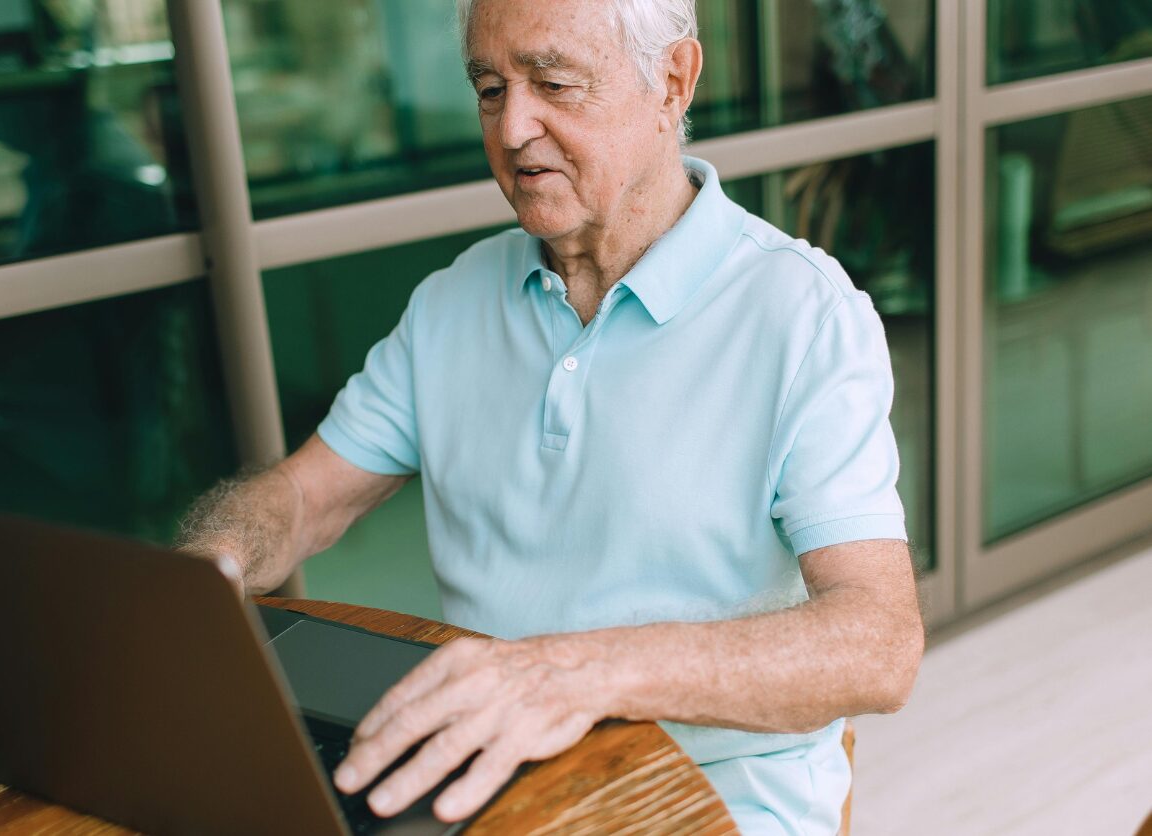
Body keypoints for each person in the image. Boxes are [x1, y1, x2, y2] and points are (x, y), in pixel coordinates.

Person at [177, 0, 924, 831]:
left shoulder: (804, 314)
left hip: (716, 794)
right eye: (490, 89)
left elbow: (878, 643)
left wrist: (578, 672)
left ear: (673, 81)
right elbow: (304, 497)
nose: (512, 128)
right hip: (485, 772)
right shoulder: (450, 302)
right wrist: (205, 568)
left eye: (555, 83)